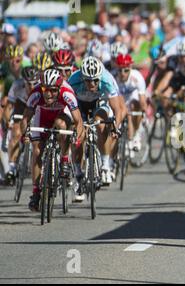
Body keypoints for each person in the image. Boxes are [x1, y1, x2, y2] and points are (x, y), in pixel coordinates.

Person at [21, 69, 84, 211]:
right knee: (37, 151)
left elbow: (78, 120)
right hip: (42, 117)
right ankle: (36, 192)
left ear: (59, 88)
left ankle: (64, 158)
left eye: (53, 90)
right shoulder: (36, 93)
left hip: (61, 115)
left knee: (62, 126)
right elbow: (25, 118)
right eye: (45, 89)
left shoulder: (67, 93)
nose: (48, 94)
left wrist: (77, 139)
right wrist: (24, 133)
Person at [68, 56, 126, 192]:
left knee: (101, 124)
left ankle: (105, 164)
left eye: (95, 80)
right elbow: (68, 105)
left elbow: (117, 109)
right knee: (79, 135)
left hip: (99, 103)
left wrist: (115, 128)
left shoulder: (106, 80)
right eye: (88, 81)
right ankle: (77, 170)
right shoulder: (74, 80)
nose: (92, 84)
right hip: (79, 105)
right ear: (83, 78)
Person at [3, 66, 40, 184]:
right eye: (29, 84)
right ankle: (12, 168)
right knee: (15, 132)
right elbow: (9, 106)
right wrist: (8, 121)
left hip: (37, 107)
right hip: (22, 107)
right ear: (23, 82)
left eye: (35, 83)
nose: (32, 86)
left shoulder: (42, 87)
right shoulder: (16, 85)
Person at [113, 54, 147, 153]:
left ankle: (136, 135)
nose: (122, 73)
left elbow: (142, 100)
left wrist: (143, 113)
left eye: (126, 70)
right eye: (120, 70)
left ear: (130, 68)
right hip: (119, 99)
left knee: (134, 106)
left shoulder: (137, 77)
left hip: (133, 97)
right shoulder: (113, 77)